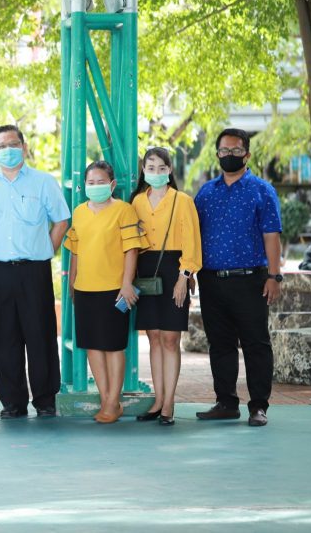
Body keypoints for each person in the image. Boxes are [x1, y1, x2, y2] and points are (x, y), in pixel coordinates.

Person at [0, 125, 70, 419]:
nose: (8, 150)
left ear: (24, 147)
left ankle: (45, 400)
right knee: (3, 339)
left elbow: (61, 221)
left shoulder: (43, 182)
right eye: (1, 146)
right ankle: (12, 402)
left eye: (13, 144)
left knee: (41, 336)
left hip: (35, 271)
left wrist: (45, 250)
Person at [194, 128, 282, 427]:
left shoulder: (262, 190)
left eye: (235, 151)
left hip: (251, 281)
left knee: (256, 344)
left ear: (247, 154)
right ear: (217, 154)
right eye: (224, 151)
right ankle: (226, 402)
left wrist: (274, 276)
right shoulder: (206, 193)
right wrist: (189, 273)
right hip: (210, 281)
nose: (229, 155)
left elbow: (272, 235)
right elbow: (193, 235)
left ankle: (258, 407)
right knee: (220, 344)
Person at [65, 161, 148, 424]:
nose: (95, 186)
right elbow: (75, 251)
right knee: (93, 347)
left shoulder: (124, 210)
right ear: (84, 186)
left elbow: (131, 249)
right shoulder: (79, 212)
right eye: (91, 182)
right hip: (85, 289)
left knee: (113, 347)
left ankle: (113, 402)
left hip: (114, 289)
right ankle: (107, 400)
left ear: (112, 185)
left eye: (101, 182)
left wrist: (126, 283)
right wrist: (72, 281)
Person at [130, 147, 202, 426]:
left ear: (170, 170)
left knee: (171, 339)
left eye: (162, 168)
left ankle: (169, 402)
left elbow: (192, 241)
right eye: (151, 167)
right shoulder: (137, 202)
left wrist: (184, 276)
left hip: (174, 269)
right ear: (144, 170)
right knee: (154, 338)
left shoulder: (182, 201)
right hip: (146, 272)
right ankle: (158, 400)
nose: (156, 172)